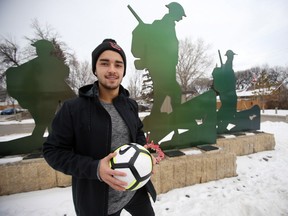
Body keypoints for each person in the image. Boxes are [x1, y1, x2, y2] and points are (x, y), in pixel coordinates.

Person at [43, 38, 156, 216]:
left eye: (118, 65)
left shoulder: (130, 105)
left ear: (124, 70)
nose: (112, 69)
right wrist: (95, 168)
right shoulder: (73, 109)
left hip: (135, 190)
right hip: (98, 203)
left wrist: (145, 154)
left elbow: (138, 133)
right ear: (95, 69)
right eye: (105, 63)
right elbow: (52, 151)